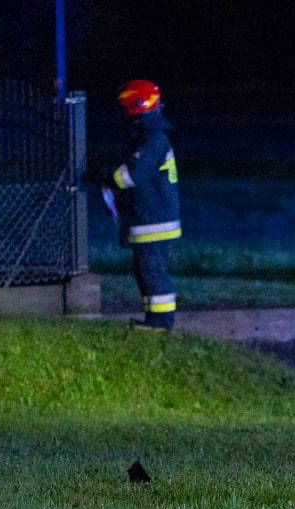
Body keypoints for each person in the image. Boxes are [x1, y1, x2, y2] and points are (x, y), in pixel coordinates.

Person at [106, 79, 181, 332]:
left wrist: (104, 176)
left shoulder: (154, 139)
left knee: (152, 272)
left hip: (154, 220)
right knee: (145, 271)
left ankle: (161, 323)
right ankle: (154, 320)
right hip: (149, 218)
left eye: (126, 109)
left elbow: (131, 176)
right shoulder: (149, 136)